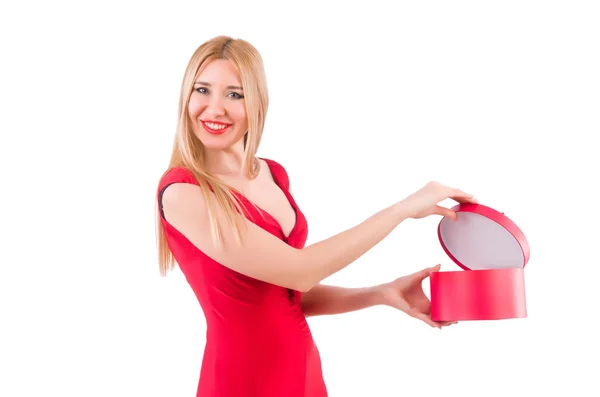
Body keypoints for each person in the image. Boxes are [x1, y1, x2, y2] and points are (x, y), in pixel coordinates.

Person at [155, 35, 477, 397]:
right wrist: (401, 210)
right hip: (243, 380)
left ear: (257, 103)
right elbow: (301, 271)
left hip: (302, 371)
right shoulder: (183, 192)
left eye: (235, 94)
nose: (214, 109)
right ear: (186, 96)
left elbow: (283, 295)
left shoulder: (272, 174)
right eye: (202, 90)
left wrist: (379, 293)